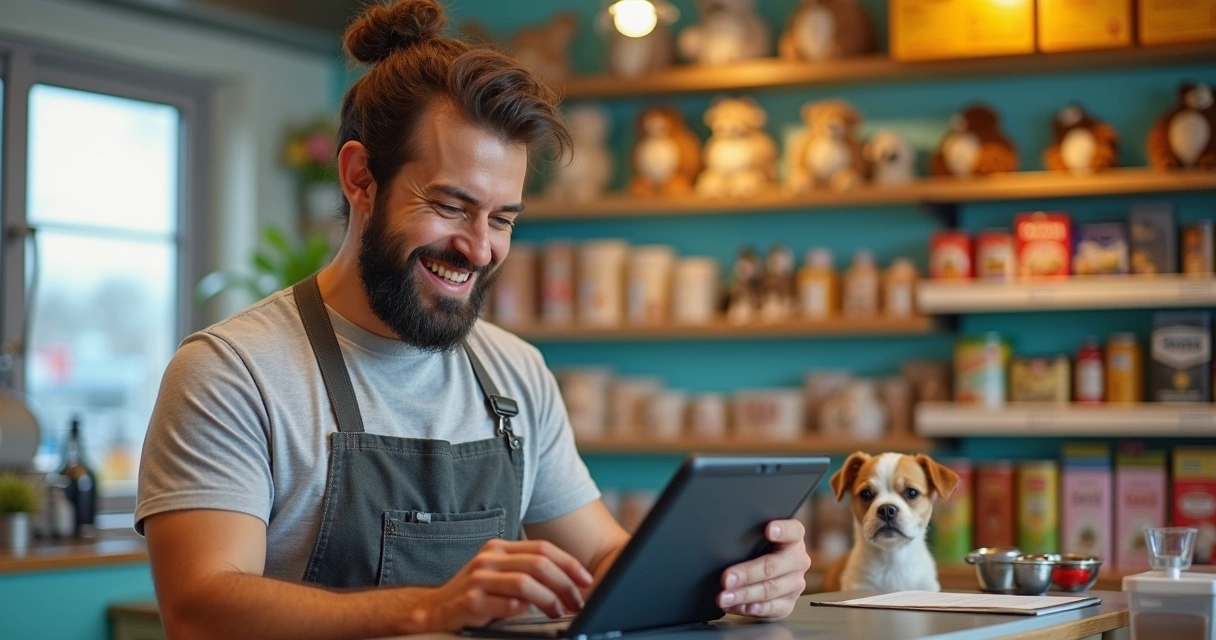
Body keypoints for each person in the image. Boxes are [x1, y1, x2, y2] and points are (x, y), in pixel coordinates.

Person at [135, 1, 812, 638]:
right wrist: (430, 608)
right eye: (452, 206)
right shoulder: (233, 372)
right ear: (360, 178)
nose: (480, 247)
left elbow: (605, 557)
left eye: (502, 218)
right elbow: (199, 609)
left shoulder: (514, 371)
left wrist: (737, 581)